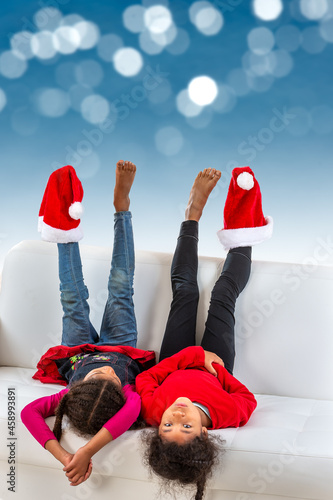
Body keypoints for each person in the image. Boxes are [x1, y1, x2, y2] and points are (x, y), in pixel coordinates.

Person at [135, 166, 273, 500]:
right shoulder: (227, 416)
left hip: (175, 360)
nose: (177, 417)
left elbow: (146, 381)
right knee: (224, 293)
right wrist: (221, 374)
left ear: (157, 429)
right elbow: (247, 399)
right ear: (206, 432)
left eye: (168, 426)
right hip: (218, 365)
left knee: (186, 292)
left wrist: (192, 358)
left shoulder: (153, 410)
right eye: (186, 426)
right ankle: (243, 227)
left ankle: (192, 215)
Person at [21, 160, 154, 487]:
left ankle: (63, 220)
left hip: (76, 348)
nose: (107, 371)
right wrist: (89, 452)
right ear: (121, 392)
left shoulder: (67, 396)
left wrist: (66, 456)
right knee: (121, 286)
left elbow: (28, 414)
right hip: (121, 345)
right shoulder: (128, 397)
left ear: (75, 389)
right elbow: (128, 413)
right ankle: (122, 208)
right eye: (110, 379)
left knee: (71, 294)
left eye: (98, 375)